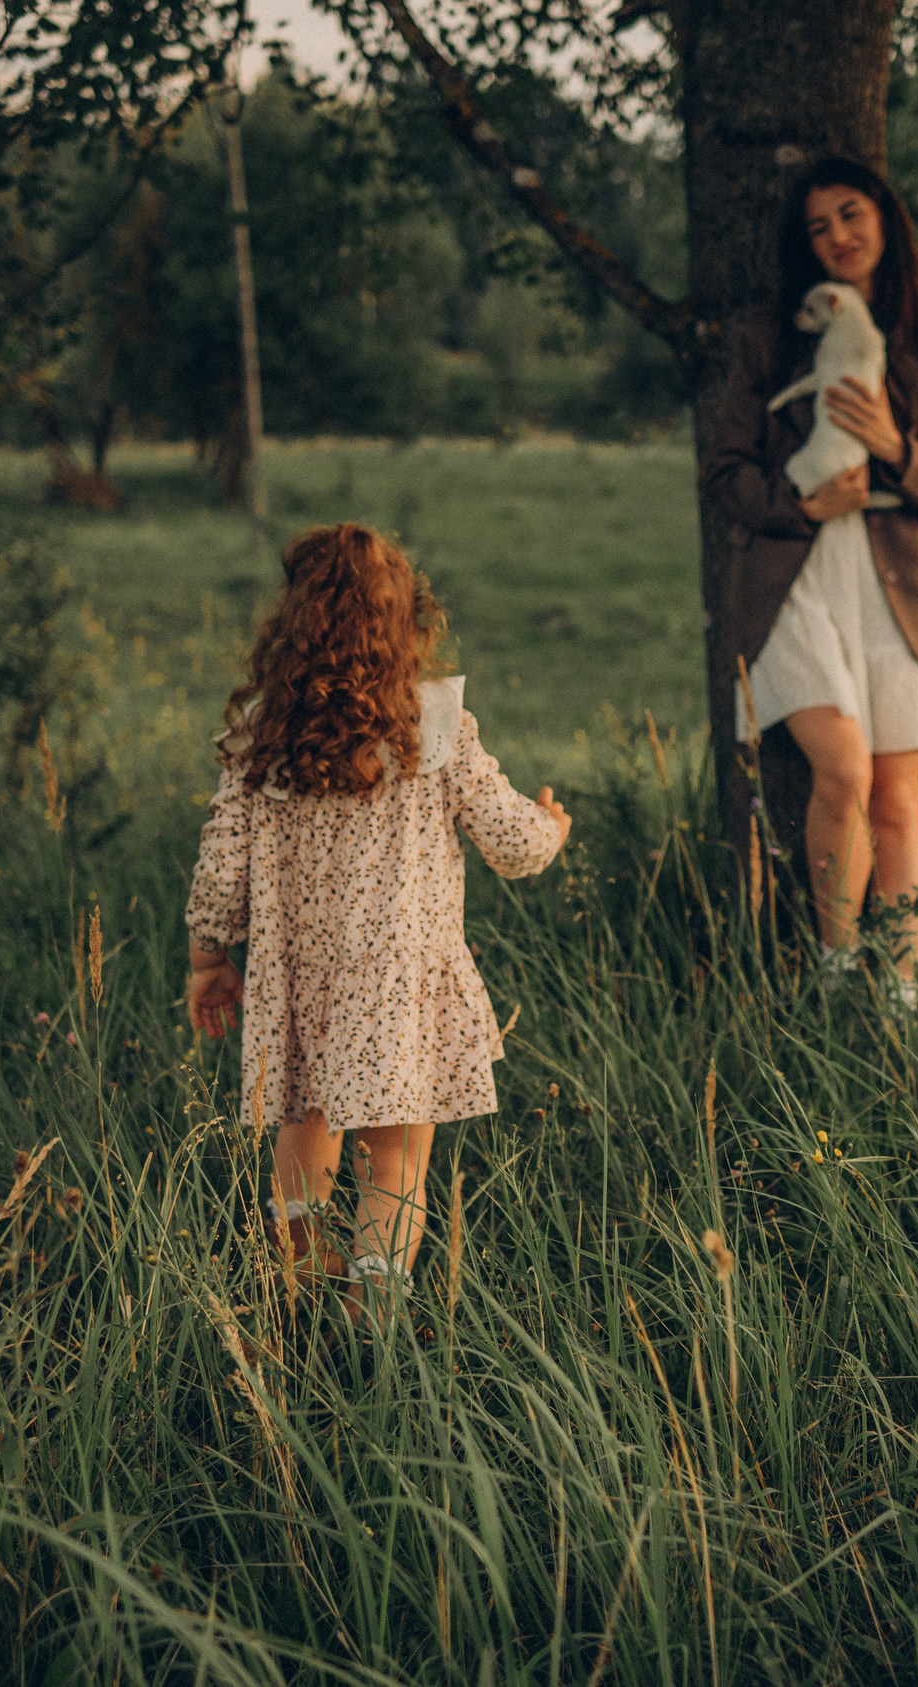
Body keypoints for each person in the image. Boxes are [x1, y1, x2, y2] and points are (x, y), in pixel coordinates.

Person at [185, 525, 569, 1312]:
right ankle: (374, 1312)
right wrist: (552, 826)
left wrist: (208, 959)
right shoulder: (435, 730)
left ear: (288, 630)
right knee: (394, 1163)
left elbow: (221, 863)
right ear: (408, 629)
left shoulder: (261, 740)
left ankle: (293, 1280)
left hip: (299, 983)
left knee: (304, 1129)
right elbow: (511, 841)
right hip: (397, 990)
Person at [704, 156, 918, 1013]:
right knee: (843, 769)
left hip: (897, 580)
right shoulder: (769, 339)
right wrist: (799, 500)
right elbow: (725, 473)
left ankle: (900, 998)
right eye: (819, 226)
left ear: (886, 222)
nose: (836, 237)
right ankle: (833, 977)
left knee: (900, 793)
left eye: (851, 214)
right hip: (795, 575)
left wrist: (898, 449)